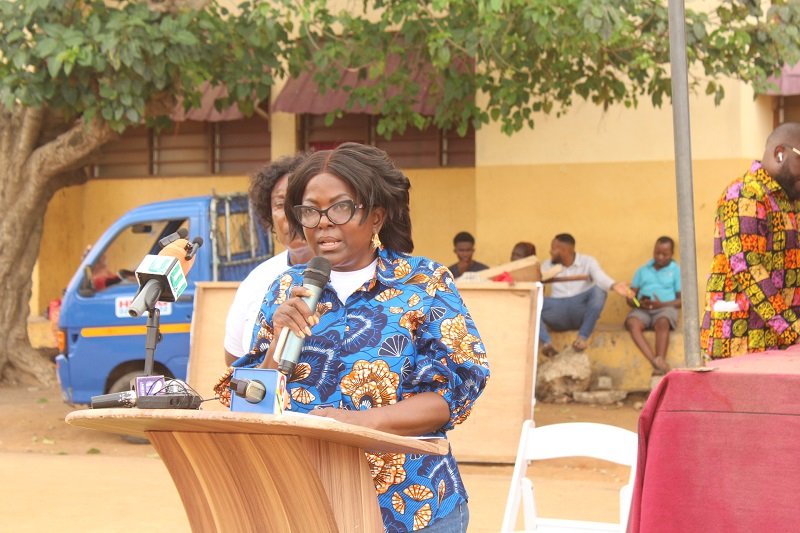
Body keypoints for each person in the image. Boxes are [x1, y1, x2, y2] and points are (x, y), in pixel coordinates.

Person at [214, 142, 490, 532]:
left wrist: (360, 422)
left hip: (412, 505)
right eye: (310, 211)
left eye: (340, 208)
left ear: (375, 216)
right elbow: (248, 404)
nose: (323, 222)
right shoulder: (284, 289)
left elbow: (453, 394)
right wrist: (277, 343)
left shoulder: (424, 283)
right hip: (308, 503)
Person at [701, 122, 800, 359]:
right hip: (742, 341)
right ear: (780, 153)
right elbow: (749, 270)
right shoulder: (745, 194)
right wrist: (793, 331)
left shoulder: (790, 201)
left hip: (779, 344)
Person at [223, 154, 313, 365]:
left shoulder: (349, 272)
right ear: (268, 214)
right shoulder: (257, 280)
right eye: (280, 204)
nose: (292, 215)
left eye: (302, 203)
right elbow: (235, 361)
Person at [540, 233, 631, 355]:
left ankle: (582, 338)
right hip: (557, 313)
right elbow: (536, 283)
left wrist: (614, 285)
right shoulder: (547, 265)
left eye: (553, 248)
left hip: (580, 311)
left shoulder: (588, 261)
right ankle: (547, 343)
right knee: (533, 301)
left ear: (564, 250)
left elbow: (599, 276)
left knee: (600, 290)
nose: (550, 252)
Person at [624, 236, 681, 375]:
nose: (660, 257)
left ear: (672, 254)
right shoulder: (642, 270)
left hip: (665, 308)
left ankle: (660, 358)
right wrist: (636, 301)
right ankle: (656, 362)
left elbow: (681, 301)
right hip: (642, 310)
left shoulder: (676, 270)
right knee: (632, 323)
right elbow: (631, 298)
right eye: (657, 253)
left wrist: (660, 304)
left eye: (665, 254)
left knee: (663, 322)